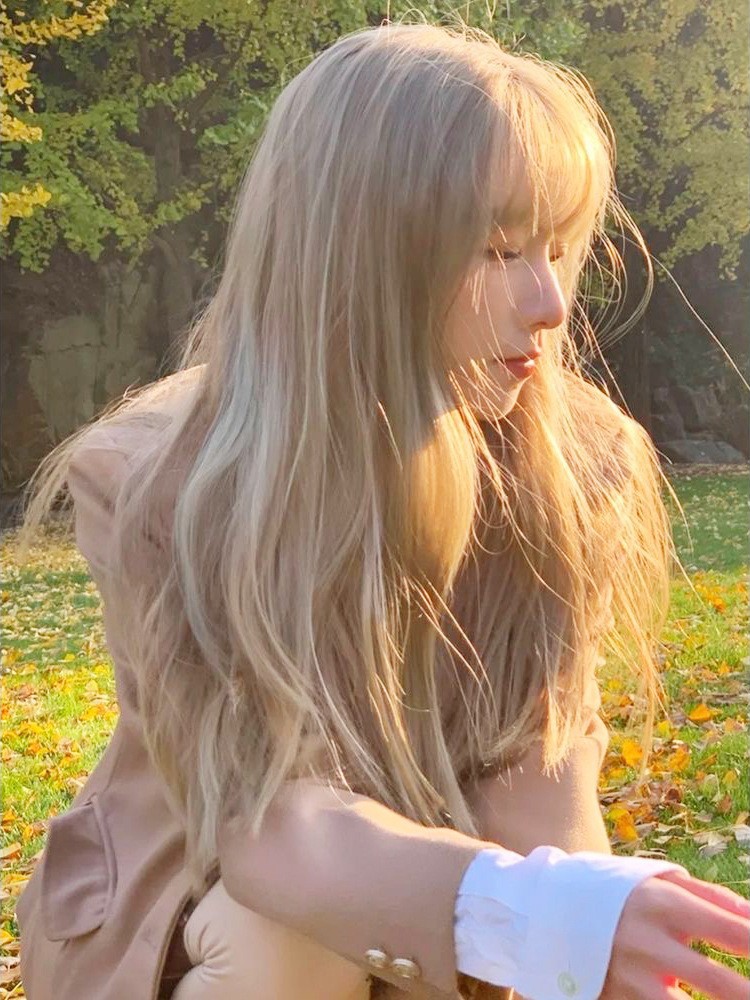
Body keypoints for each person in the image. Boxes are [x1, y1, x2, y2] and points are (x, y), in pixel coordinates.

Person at [13, 20, 749, 1000]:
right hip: (198, 919)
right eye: (498, 251)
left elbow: (542, 806)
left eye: (558, 249)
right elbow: (271, 826)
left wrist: (589, 930)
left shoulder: (579, 463)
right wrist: (532, 913)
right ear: (352, 258)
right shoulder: (156, 481)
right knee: (287, 940)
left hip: (442, 920)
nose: (550, 303)